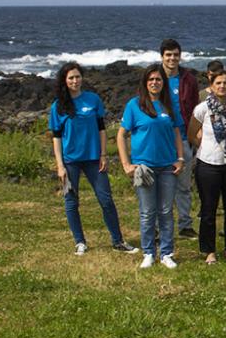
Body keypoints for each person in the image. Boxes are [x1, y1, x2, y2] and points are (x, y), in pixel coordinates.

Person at [49, 62, 137, 255]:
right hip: (70, 161)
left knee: (106, 200)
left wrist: (103, 154)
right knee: (71, 201)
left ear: (82, 78)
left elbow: (101, 129)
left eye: (77, 77)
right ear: (65, 81)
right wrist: (60, 166)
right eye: (71, 77)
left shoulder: (93, 99)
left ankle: (118, 241)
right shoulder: (58, 106)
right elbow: (56, 137)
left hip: (94, 159)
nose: (75, 80)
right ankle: (79, 241)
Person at [117, 64, 186, 269]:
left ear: (163, 83)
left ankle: (166, 253)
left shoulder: (168, 105)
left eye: (158, 79)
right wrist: (126, 164)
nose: (155, 83)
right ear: (145, 83)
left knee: (165, 211)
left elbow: (176, 134)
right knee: (147, 212)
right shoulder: (134, 105)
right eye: (151, 80)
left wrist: (180, 159)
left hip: (167, 168)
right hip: (144, 168)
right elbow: (121, 135)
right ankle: (148, 252)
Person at [188, 68, 226, 265]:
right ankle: (209, 251)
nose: (222, 86)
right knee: (208, 210)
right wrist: (207, 149)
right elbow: (192, 134)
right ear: (211, 87)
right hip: (208, 166)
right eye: (218, 83)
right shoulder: (202, 108)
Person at [159, 39, 199, 240]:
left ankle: (185, 225)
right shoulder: (154, 77)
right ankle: (159, 228)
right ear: (162, 57)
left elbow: (194, 109)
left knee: (184, 186)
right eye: (168, 55)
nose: (172, 58)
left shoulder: (188, 78)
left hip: (183, 138)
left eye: (175, 54)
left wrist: (194, 135)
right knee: (159, 187)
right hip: (160, 141)